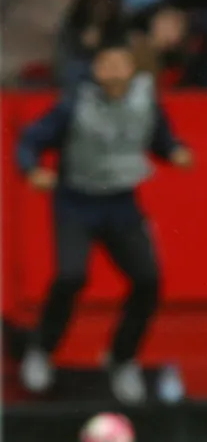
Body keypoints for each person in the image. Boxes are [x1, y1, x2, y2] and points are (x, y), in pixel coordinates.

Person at [17, 38, 193, 405]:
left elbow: (158, 138)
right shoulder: (74, 103)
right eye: (104, 63)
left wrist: (174, 150)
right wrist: (31, 169)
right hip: (76, 201)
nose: (111, 70)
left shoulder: (146, 100)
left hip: (121, 203)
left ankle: (121, 358)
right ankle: (41, 350)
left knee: (147, 280)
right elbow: (32, 138)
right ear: (95, 70)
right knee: (70, 276)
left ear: (132, 69)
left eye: (119, 62)